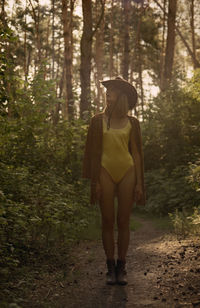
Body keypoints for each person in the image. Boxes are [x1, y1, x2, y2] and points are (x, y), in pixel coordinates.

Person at [82, 76, 145, 285]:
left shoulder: (133, 123)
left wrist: (139, 183)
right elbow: (92, 153)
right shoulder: (97, 120)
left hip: (127, 171)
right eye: (107, 90)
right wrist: (95, 181)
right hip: (104, 170)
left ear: (122, 95)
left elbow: (136, 154)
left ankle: (122, 267)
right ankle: (110, 268)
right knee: (108, 221)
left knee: (123, 221)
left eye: (113, 90)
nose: (108, 93)